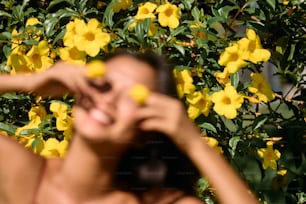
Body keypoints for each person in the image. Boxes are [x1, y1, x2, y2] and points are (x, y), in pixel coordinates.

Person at [0, 50, 259, 204]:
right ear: (78, 92)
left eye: (134, 97)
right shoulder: (24, 174)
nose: (110, 99)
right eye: (104, 83)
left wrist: (192, 141)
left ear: (144, 133)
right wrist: (29, 82)